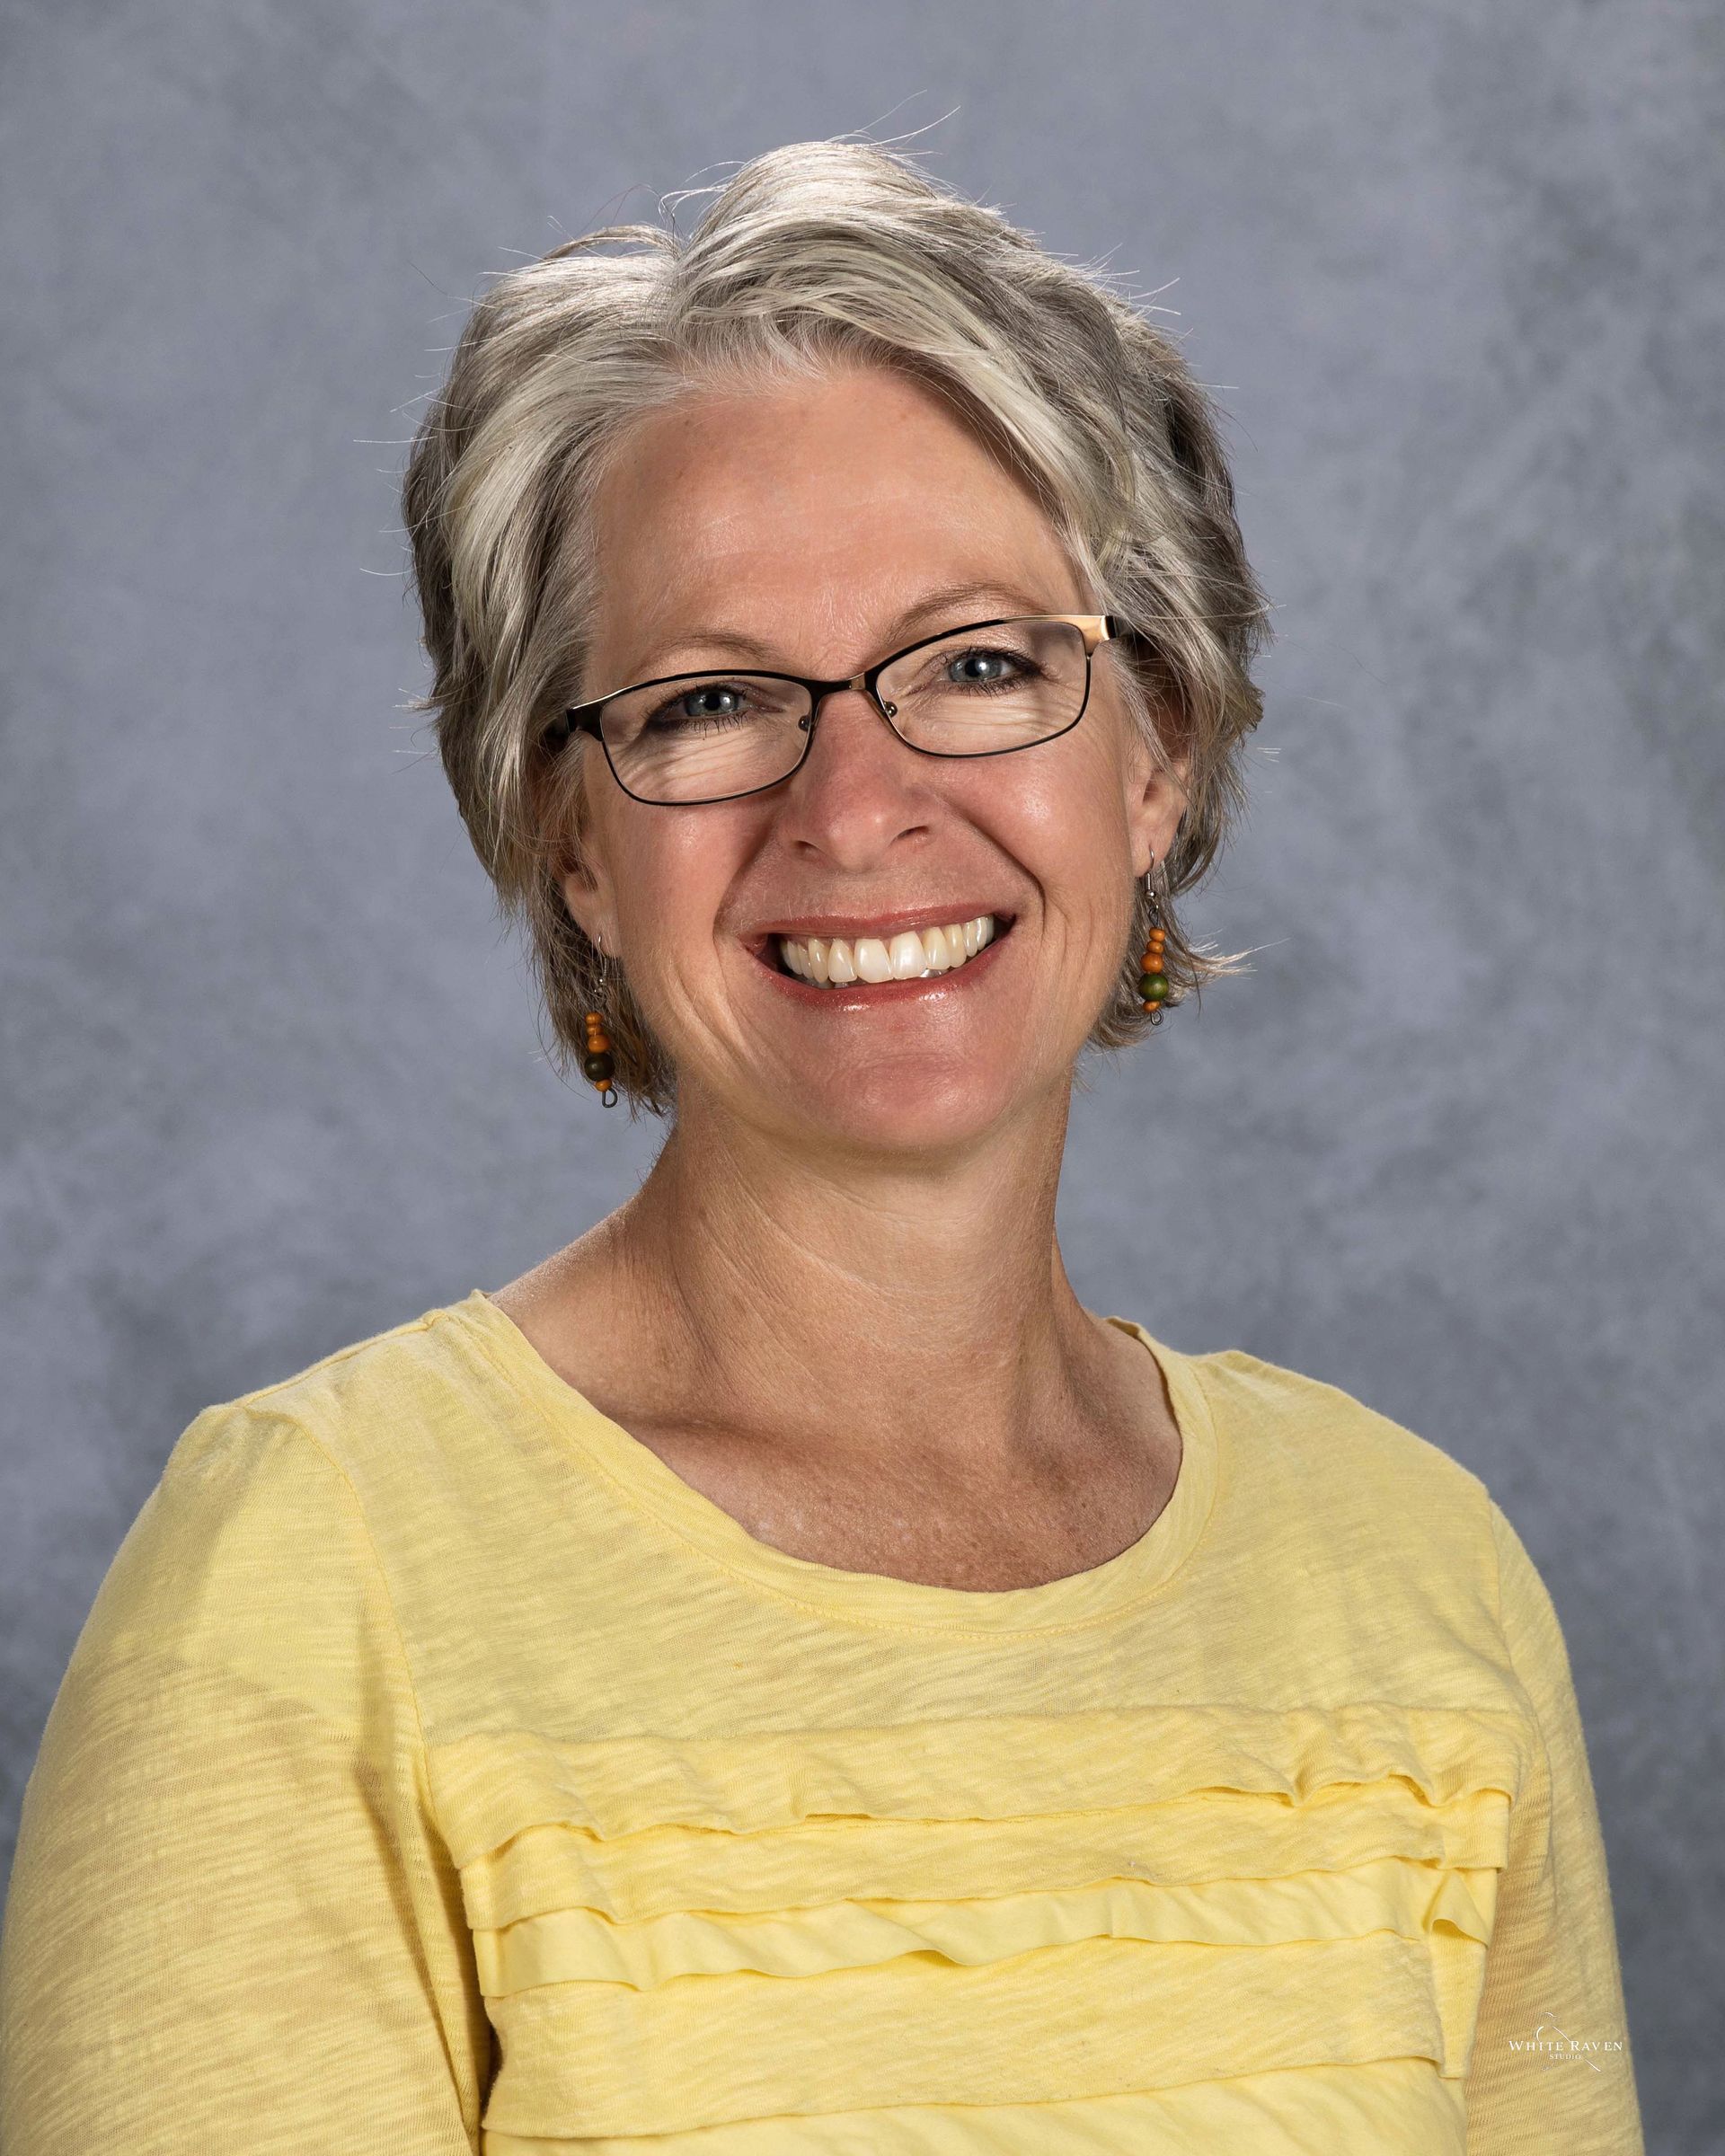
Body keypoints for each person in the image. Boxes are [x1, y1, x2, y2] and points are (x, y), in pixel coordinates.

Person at [0, 138, 1643, 2154]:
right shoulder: (311, 1588)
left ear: (1159, 746)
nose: (854, 809)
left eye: (979, 665)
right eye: (709, 701)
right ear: (571, 836)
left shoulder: (1418, 1581)